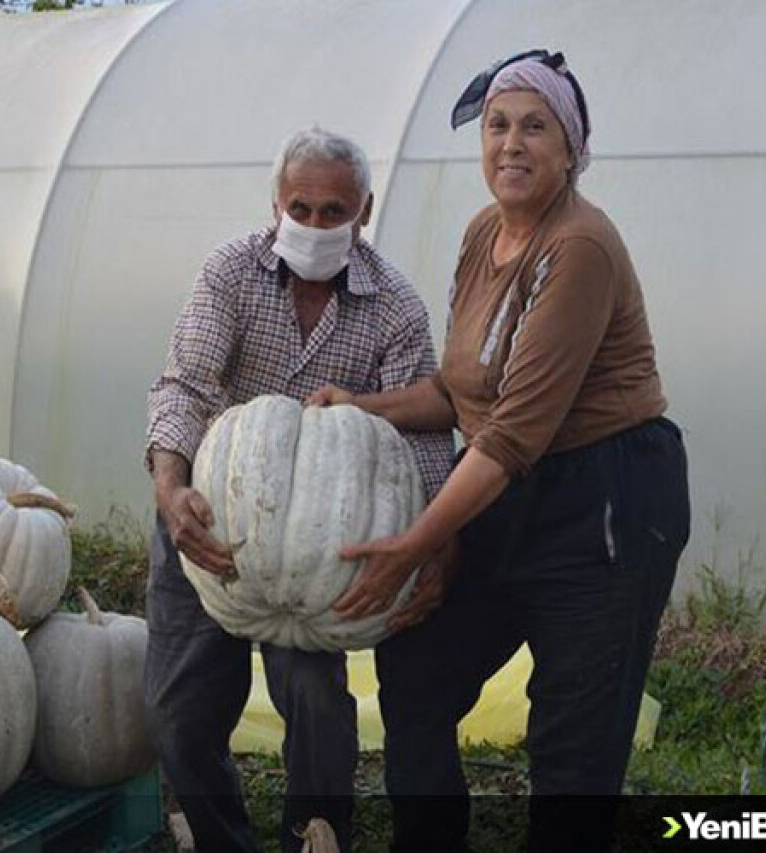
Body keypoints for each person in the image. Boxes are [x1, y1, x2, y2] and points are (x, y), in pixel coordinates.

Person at [308, 51, 690, 852]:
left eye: (534, 127)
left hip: (607, 504)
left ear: (570, 148)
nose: (511, 144)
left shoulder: (579, 247)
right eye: (497, 126)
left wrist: (416, 541)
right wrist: (362, 405)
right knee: (416, 670)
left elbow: (511, 432)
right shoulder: (487, 233)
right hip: (509, 488)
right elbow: (462, 393)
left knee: (572, 751)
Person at [144, 126, 454, 853]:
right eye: (302, 208)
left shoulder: (395, 306)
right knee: (179, 715)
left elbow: (424, 432)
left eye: (333, 211)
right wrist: (169, 484)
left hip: (320, 544)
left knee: (317, 709)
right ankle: (223, 839)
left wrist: (437, 541)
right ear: (275, 203)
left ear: (365, 210)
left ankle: (316, 840)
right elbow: (185, 386)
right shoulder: (230, 274)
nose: (315, 224)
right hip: (209, 520)